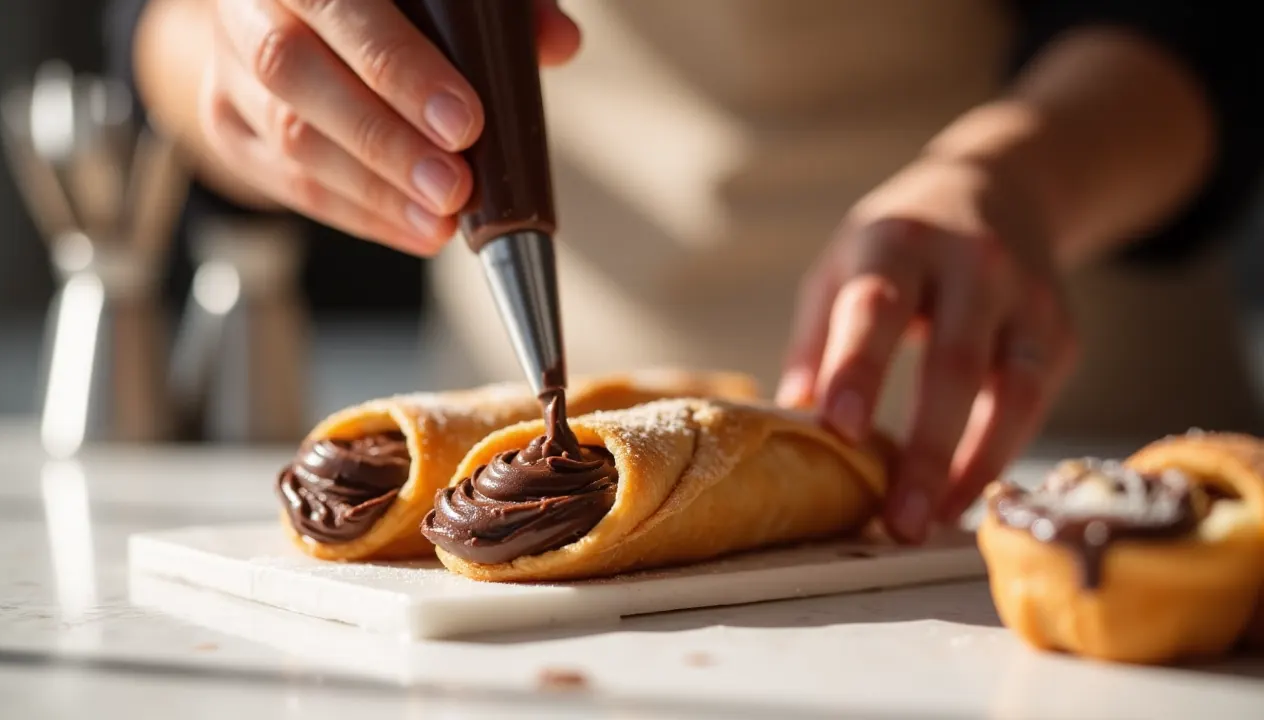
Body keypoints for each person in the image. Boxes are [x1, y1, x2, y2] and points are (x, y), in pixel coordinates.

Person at [112, 0, 1264, 544]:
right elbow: (160, 33)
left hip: (1058, 462)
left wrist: (1017, 179)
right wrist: (227, 53)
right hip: (496, 482)